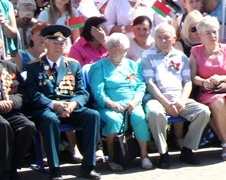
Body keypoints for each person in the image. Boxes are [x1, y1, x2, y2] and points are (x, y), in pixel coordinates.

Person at [23, 25, 102, 180]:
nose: (59, 47)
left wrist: (73, 104)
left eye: (61, 44)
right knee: (50, 119)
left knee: (92, 115)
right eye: (54, 43)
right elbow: (33, 94)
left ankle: (88, 167)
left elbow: (82, 92)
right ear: (45, 44)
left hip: (69, 107)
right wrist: (54, 105)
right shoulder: (34, 66)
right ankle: (55, 169)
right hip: (47, 109)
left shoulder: (72, 65)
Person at [141, 23, 209, 169]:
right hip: (157, 98)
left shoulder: (180, 56)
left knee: (203, 111)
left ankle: (187, 150)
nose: (163, 41)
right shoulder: (147, 56)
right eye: (160, 37)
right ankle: (163, 153)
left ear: (174, 38)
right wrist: (166, 104)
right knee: (154, 113)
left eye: (167, 37)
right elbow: (150, 84)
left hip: (179, 98)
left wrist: (182, 101)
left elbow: (188, 82)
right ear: (154, 38)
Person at [89, 33, 151, 171]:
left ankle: (144, 155)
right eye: (111, 46)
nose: (114, 49)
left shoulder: (133, 65)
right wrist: (110, 103)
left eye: (118, 46)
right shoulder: (99, 67)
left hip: (131, 104)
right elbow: (98, 91)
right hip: (108, 106)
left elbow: (141, 86)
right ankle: (112, 158)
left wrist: (135, 102)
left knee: (139, 117)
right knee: (114, 120)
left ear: (126, 49)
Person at [188, 16, 226, 161]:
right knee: (218, 102)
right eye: (208, 33)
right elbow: (193, 77)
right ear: (200, 35)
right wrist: (204, 82)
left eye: (214, 32)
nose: (212, 35)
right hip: (209, 92)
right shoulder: (195, 51)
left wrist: (219, 77)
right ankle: (225, 143)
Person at [0, 55, 36, 180]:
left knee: (27, 126)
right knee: (3, 125)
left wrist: (12, 102)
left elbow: (22, 92)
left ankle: (13, 167)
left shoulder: (10, 67)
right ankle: (4, 171)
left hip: (9, 110)